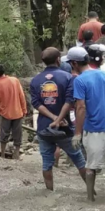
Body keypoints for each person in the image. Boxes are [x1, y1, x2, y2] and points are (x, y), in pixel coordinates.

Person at [31, 47, 88, 191]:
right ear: (58, 59)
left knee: (46, 163)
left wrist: (52, 118)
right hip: (64, 127)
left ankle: (49, 193)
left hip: (44, 128)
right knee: (79, 161)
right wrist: (59, 119)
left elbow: (36, 103)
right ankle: (91, 192)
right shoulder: (68, 77)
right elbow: (69, 101)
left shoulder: (35, 80)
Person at [73, 45, 105, 201]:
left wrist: (77, 133)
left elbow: (80, 107)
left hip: (93, 128)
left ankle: (90, 200)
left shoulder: (79, 80)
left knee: (91, 167)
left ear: (74, 63)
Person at [0, 64, 28, 160]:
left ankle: (2, 154)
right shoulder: (15, 80)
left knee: (4, 134)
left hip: (5, 114)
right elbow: (22, 96)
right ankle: (16, 154)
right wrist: (24, 110)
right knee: (17, 134)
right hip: (18, 112)